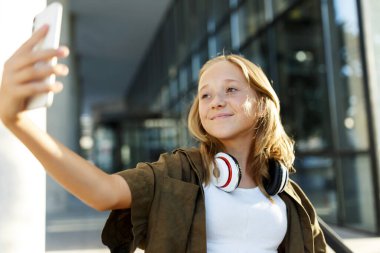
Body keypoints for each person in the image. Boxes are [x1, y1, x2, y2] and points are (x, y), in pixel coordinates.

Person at [0, 26, 326, 253]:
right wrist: (16, 121)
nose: (215, 101)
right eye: (205, 94)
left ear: (261, 104)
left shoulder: (285, 191)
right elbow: (102, 192)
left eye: (231, 89)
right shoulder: (177, 172)